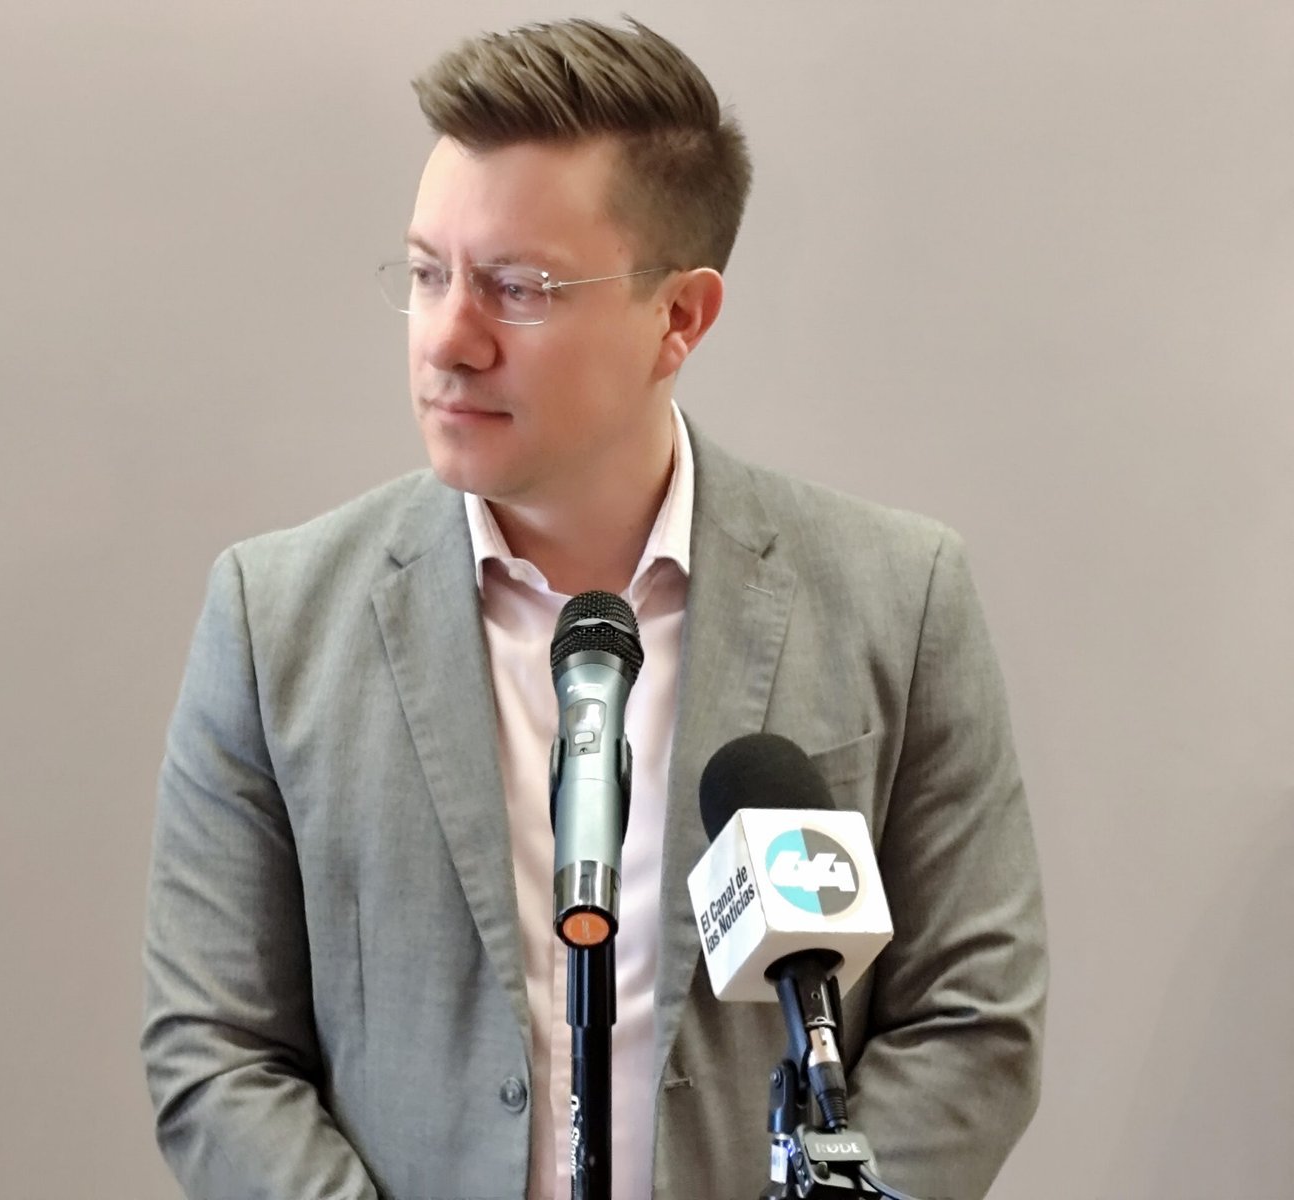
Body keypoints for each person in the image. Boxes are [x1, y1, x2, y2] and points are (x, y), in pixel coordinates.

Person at [141, 17, 1047, 1200]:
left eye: (515, 288)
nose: (448, 341)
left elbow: (972, 1020)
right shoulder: (275, 620)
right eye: (427, 274)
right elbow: (215, 1049)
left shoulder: (896, 598)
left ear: (679, 318)